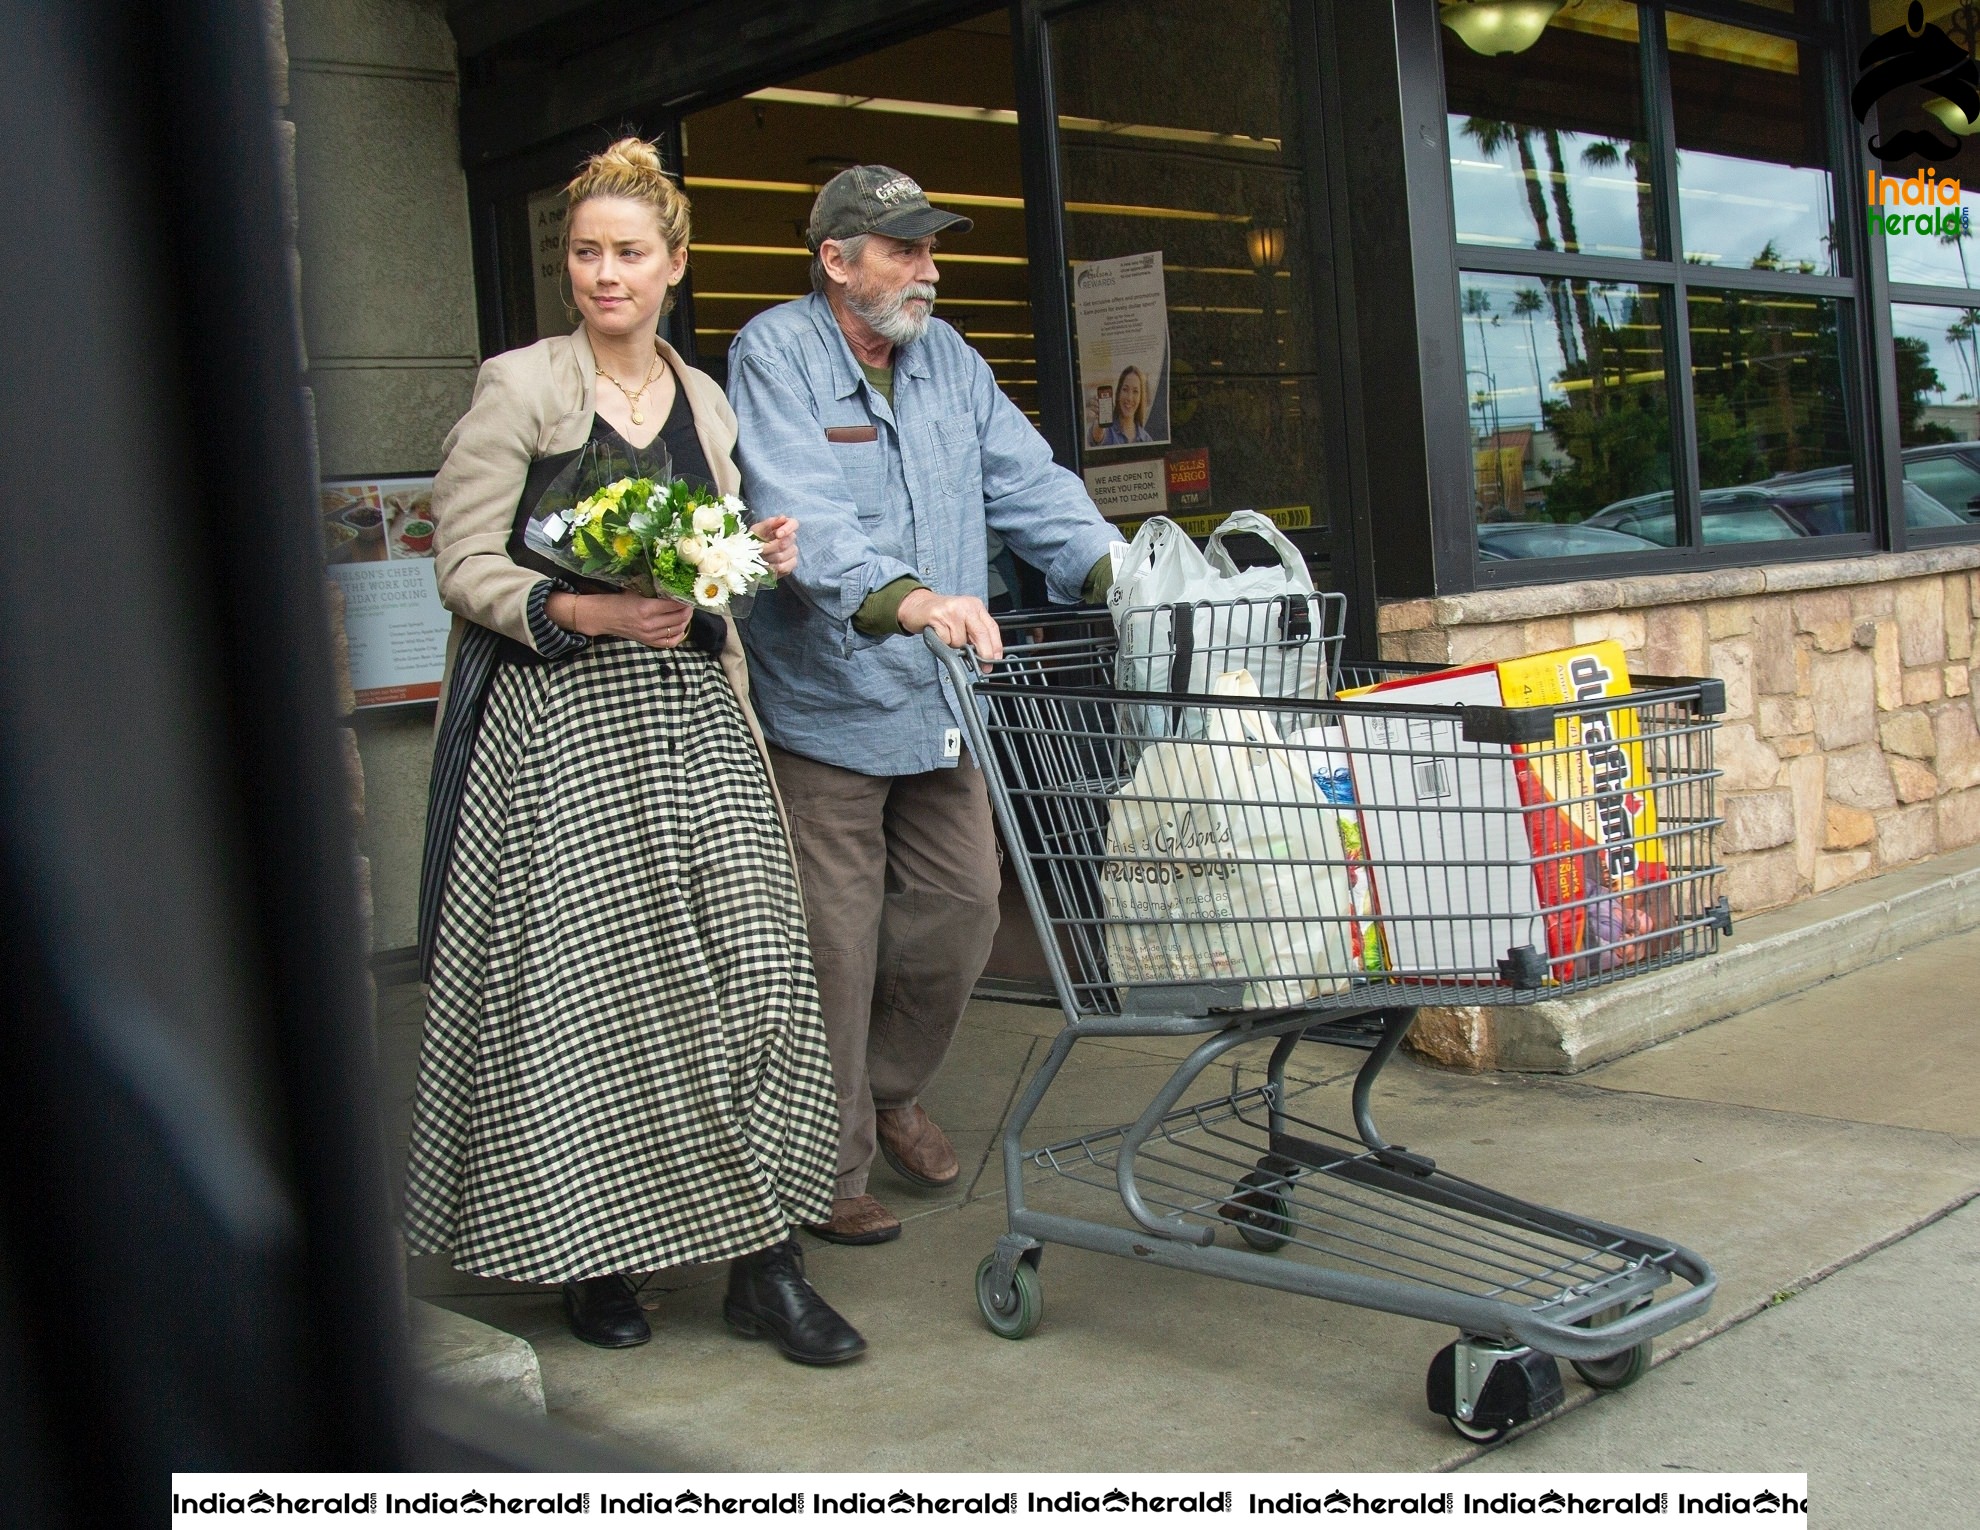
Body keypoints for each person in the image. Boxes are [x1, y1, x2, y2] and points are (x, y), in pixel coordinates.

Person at [403, 138, 865, 1366]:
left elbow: (709, 573)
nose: (603, 273)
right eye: (584, 252)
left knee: (758, 976)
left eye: (628, 253)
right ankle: (593, 1257)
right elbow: (463, 566)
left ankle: (767, 1265)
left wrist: (746, 555)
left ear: (674, 265)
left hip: (693, 721)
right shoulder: (522, 387)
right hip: (559, 731)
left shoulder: (702, 399)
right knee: (587, 994)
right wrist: (585, 609)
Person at [727, 165, 1124, 1244]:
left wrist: (1120, 575)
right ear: (837, 261)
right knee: (837, 942)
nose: (928, 269)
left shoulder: (946, 357)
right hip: (826, 704)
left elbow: (1027, 482)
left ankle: (892, 1088)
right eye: (903, 249)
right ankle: (834, 1159)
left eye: (929, 248)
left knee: (961, 911)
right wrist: (907, 600)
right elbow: (797, 511)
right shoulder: (776, 353)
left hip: (944, 700)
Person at [1092, 365, 1156, 447]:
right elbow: (1097, 436)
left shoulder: (1147, 440)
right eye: (1125, 389)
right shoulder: (1107, 430)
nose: (1129, 397)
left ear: (1141, 398)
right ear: (1119, 393)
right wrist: (1099, 423)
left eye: (1135, 391)